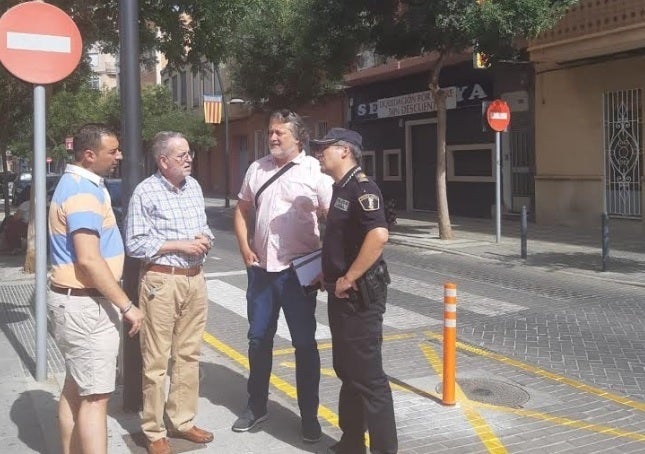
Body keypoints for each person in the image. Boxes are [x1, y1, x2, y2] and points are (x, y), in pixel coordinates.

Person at [232, 109, 333, 442]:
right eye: (271, 132)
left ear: (298, 137)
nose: (273, 138)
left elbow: (333, 218)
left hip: (298, 275)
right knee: (258, 340)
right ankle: (256, 405)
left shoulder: (315, 171)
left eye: (280, 133)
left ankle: (309, 417)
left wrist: (325, 266)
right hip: (262, 272)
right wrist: (245, 249)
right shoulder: (257, 168)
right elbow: (243, 209)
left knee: (304, 345)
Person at [47, 123, 145, 454]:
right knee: (95, 399)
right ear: (89, 155)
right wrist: (127, 306)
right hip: (86, 306)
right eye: (112, 150)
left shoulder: (76, 183)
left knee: (76, 388)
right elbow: (89, 260)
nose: (120, 156)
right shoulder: (83, 192)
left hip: (74, 302)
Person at [125, 131, 214, 454]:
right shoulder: (145, 193)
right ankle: (153, 431)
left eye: (190, 153)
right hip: (161, 282)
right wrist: (179, 245)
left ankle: (183, 421)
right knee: (156, 360)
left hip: (194, 278)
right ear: (163, 161)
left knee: (189, 355)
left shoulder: (194, 188)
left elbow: (201, 227)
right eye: (182, 155)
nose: (189, 159)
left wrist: (204, 240)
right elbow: (134, 243)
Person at [312, 128, 398, 454]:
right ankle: (351, 442)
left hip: (359, 296)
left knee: (369, 378)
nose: (320, 153)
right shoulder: (341, 188)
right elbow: (344, 240)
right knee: (347, 371)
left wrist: (349, 276)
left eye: (325, 148)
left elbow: (378, 235)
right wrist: (329, 272)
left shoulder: (363, 187)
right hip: (341, 295)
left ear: (345, 151)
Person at [0, 186, 30, 254]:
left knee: (9, 222)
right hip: (32, 224)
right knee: (8, 220)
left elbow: (16, 217)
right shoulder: (43, 203)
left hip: (26, 225)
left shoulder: (25, 204)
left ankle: (14, 247)